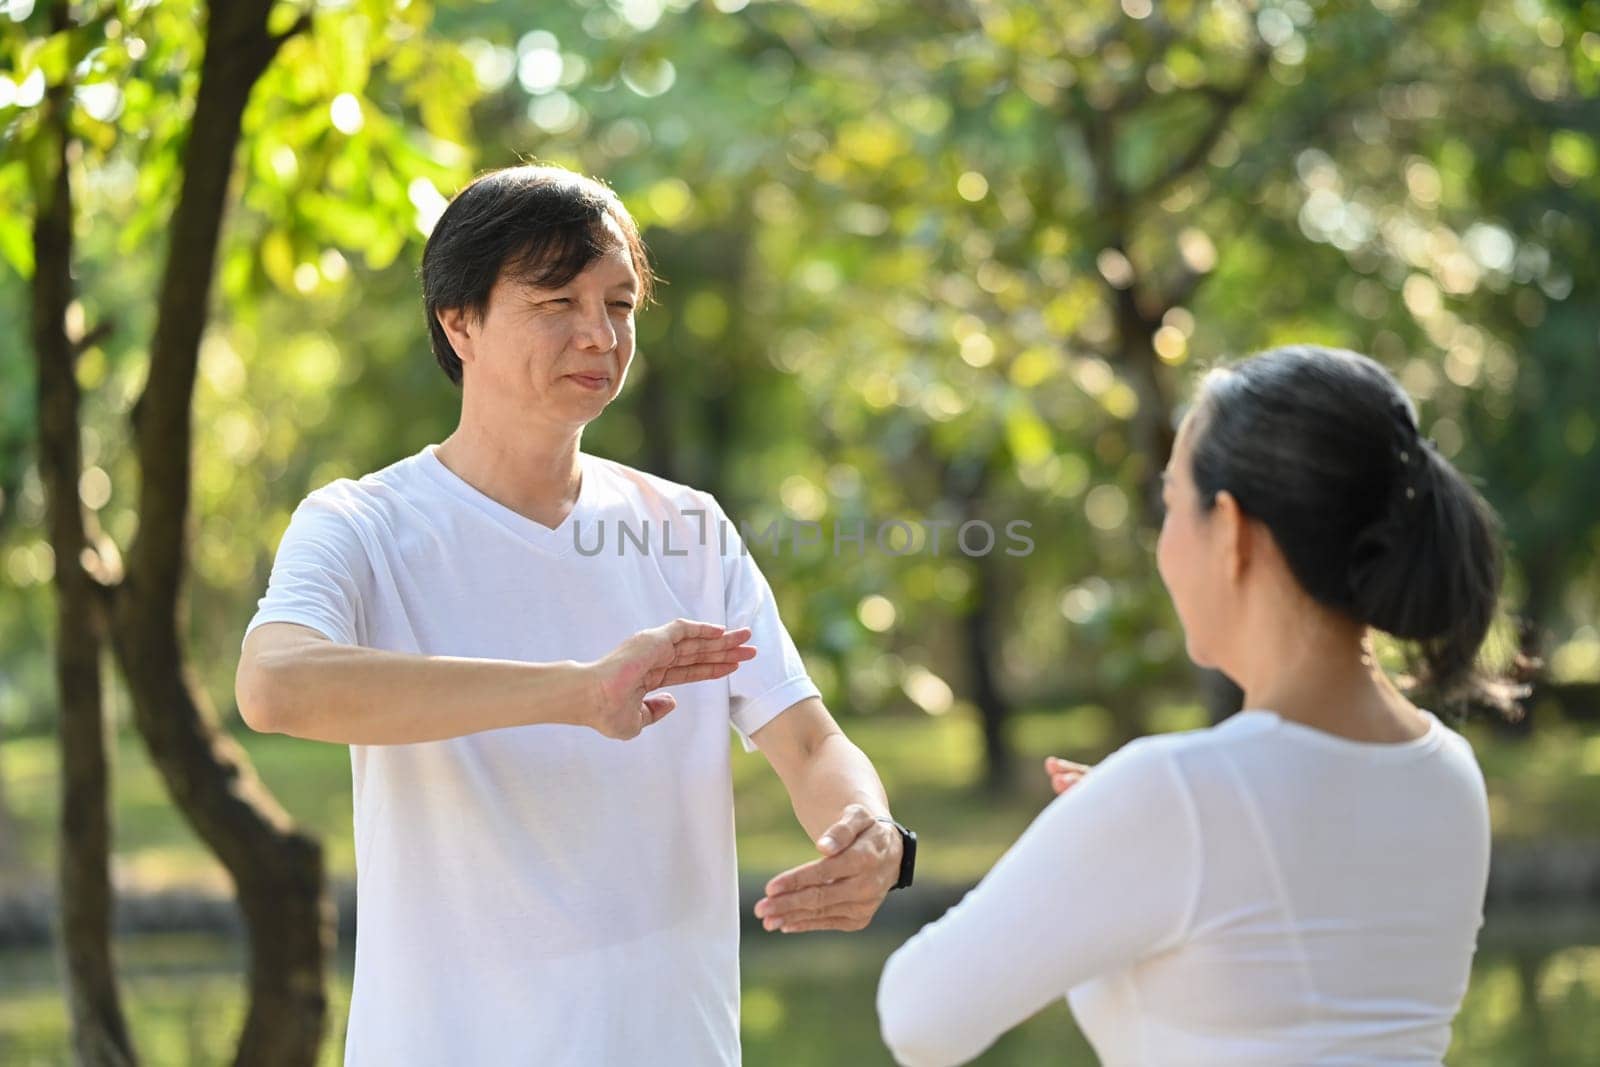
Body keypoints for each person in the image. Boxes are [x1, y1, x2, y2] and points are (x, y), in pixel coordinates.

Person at [235, 165, 916, 1066]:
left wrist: (869, 830)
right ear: (459, 320)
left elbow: (808, 742)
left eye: (621, 304)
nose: (599, 335)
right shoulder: (363, 524)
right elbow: (275, 687)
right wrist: (578, 692)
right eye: (557, 301)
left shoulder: (688, 530)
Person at [876, 344, 1509, 1066]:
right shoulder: (1450, 775)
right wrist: (1126, 839)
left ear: (1232, 530)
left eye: (1171, 502)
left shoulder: (1173, 792)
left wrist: (1103, 833)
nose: (1163, 542)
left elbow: (916, 1015)